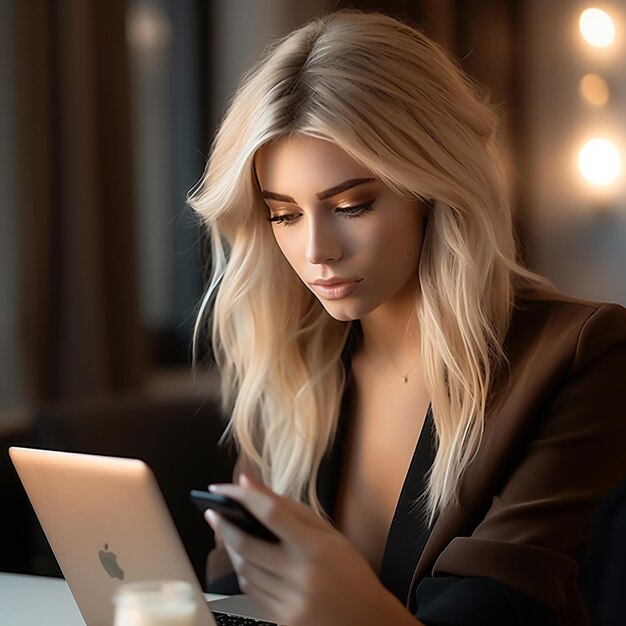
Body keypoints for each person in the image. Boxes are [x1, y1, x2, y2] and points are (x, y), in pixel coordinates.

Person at [187, 10, 626, 626]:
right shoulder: (291, 368)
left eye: (352, 204)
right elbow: (238, 586)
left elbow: (501, 611)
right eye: (283, 214)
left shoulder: (581, 356)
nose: (317, 251)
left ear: (432, 187)